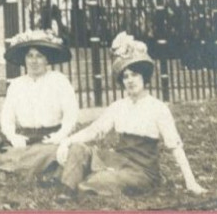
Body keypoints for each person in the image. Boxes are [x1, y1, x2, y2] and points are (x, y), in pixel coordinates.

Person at [55, 32, 206, 198]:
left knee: (103, 179)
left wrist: (191, 182)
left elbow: (175, 147)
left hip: (142, 172)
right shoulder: (118, 106)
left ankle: (83, 183)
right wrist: (66, 141)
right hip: (118, 161)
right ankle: (67, 192)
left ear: (144, 77)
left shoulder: (158, 108)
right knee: (78, 149)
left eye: (134, 74)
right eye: (125, 76)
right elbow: (94, 130)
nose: (130, 80)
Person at [0, 27, 78, 179]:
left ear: (47, 59)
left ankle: (16, 167)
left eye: (39, 56)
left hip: (51, 138)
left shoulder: (59, 80)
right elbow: (7, 118)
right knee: (10, 151)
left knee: (54, 152)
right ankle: (38, 168)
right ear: (24, 59)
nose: (34, 61)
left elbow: (71, 115)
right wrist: (13, 137)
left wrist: (59, 135)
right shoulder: (17, 84)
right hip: (25, 138)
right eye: (30, 56)